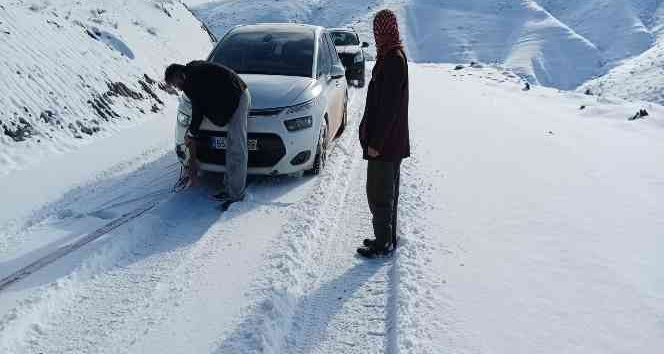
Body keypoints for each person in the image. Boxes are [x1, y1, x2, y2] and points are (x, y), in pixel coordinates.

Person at [357, 9, 410, 258]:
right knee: (386, 192)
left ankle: (383, 242)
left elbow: (389, 110)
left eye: (378, 30)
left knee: (380, 193)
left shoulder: (393, 60)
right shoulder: (389, 56)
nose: (376, 35)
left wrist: (376, 143)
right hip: (389, 143)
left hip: (385, 144)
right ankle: (386, 237)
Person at [164, 61, 251, 207]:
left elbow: (198, 110)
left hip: (238, 97)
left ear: (180, 75)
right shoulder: (192, 73)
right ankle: (230, 188)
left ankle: (236, 195)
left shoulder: (192, 81)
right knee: (231, 145)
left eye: (174, 83)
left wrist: (191, 134)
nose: (177, 88)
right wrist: (192, 133)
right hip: (229, 99)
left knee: (237, 147)